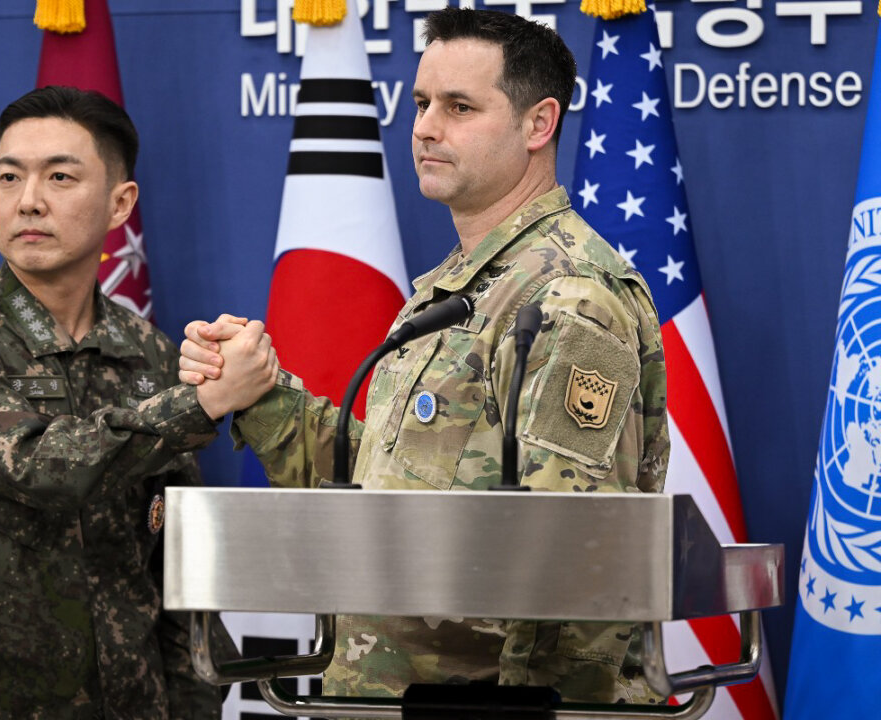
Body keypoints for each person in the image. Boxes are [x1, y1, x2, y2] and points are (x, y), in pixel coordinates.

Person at [179, 7, 669, 707]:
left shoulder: (567, 297)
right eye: (420, 103)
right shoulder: (459, 285)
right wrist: (258, 394)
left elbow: (572, 560)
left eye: (459, 107)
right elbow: (376, 490)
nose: (425, 127)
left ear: (538, 124)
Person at [0, 86, 277, 720]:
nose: (28, 200)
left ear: (121, 203)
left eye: (59, 176)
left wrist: (193, 699)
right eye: (9, 177)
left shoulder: (147, 350)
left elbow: (177, 553)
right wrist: (202, 404)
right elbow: (42, 467)